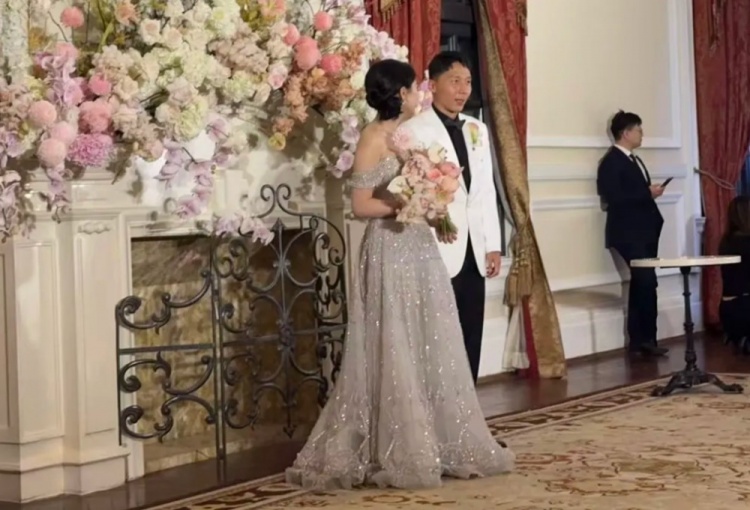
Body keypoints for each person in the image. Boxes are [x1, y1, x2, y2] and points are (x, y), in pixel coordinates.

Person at [285, 59, 514, 490]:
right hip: (389, 247)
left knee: (429, 336)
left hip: (420, 245)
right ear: (401, 93)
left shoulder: (407, 135)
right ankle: (393, 443)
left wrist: (432, 205)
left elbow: (431, 186)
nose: (418, 95)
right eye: (414, 89)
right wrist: (410, 204)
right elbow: (361, 205)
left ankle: (437, 437)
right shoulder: (372, 137)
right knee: (393, 338)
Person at [400, 52, 503, 383]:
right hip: (437, 245)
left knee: (472, 328)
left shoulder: (477, 129)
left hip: (475, 246)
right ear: (432, 85)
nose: (463, 90)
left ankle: (467, 403)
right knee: (438, 331)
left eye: (468, 82)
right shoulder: (413, 130)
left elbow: (484, 190)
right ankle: (439, 404)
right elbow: (410, 192)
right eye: (454, 81)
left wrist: (493, 244)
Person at [596, 110, 668, 357]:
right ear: (626, 133)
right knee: (645, 282)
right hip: (629, 233)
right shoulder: (611, 162)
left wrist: (648, 193)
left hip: (643, 232)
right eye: (638, 129)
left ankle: (645, 340)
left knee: (644, 284)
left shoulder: (632, 159)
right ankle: (642, 340)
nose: (642, 134)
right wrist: (647, 193)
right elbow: (614, 198)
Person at [718, 195, 750, 353]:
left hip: (728, 309)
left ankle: (737, 336)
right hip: (744, 308)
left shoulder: (726, 241)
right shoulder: (746, 242)